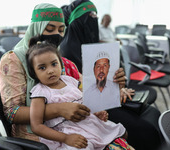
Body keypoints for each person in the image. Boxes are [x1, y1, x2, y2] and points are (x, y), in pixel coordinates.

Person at [0, 3, 126, 142]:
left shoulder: (58, 61)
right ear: (35, 28)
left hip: (73, 126)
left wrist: (111, 84)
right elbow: (12, 113)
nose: (56, 34)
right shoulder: (13, 60)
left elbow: (84, 89)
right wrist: (58, 109)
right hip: (37, 134)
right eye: (50, 29)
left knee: (121, 135)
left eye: (61, 29)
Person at [60, 1, 163, 150]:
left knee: (153, 113)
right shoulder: (65, 53)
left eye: (95, 14)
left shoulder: (95, 45)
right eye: (90, 15)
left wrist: (120, 85)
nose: (93, 18)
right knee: (146, 131)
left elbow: (105, 80)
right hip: (92, 110)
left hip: (108, 100)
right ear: (77, 21)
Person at [26, 36, 134, 150]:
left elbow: (84, 101)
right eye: (42, 68)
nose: (50, 70)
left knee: (121, 132)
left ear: (61, 64)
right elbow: (36, 126)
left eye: (54, 64)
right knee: (85, 146)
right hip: (67, 132)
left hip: (88, 122)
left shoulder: (70, 80)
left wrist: (96, 112)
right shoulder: (39, 92)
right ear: (34, 73)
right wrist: (66, 138)